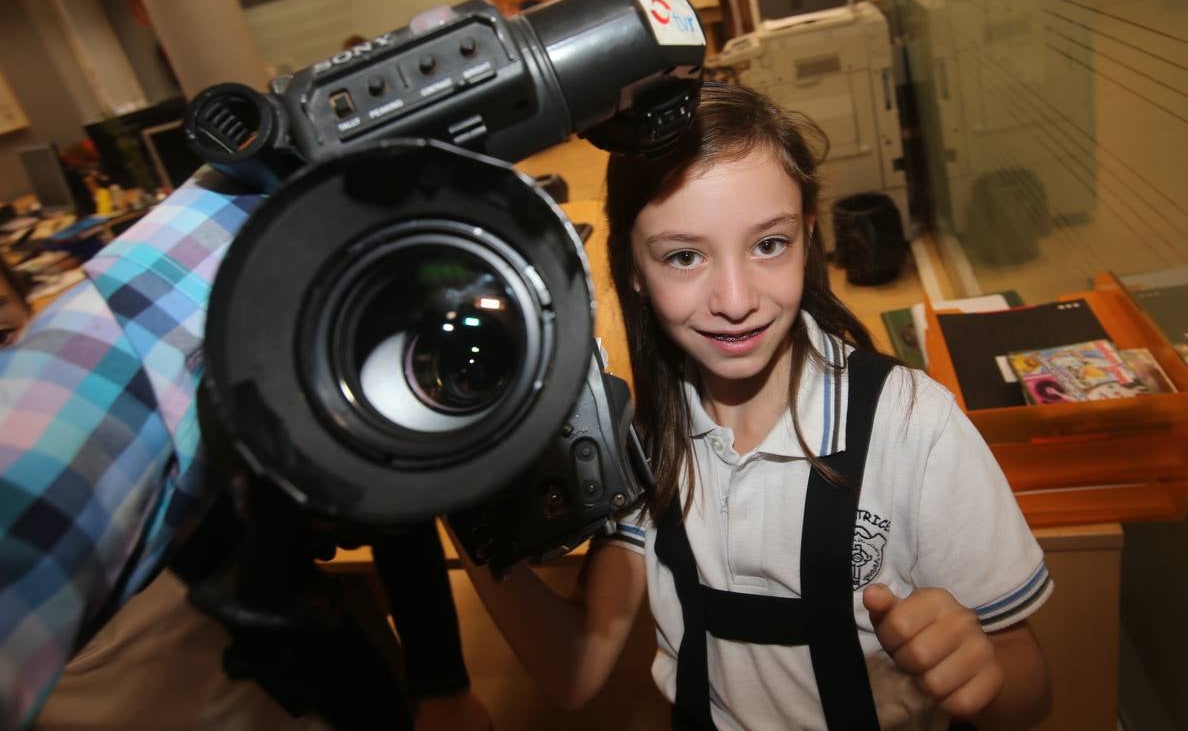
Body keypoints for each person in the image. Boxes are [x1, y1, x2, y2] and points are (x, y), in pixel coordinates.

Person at [454, 83, 1053, 730]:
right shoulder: (644, 442)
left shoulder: (913, 427)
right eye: (684, 256)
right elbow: (574, 669)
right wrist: (465, 513)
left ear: (808, 234)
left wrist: (980, 670)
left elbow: (1029, 683)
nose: (735, 299)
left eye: (769, 244)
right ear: (631, 266)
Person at [0, 169, 491, 730]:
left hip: (330, 686)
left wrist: (439, 684)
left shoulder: (169, 434)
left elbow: (386, 489)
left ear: (34, 310)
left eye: (2, 339)